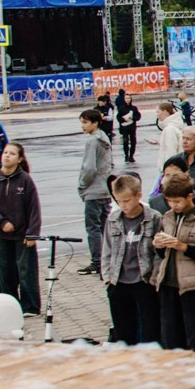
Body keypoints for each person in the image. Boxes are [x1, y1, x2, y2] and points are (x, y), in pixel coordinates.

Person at [150, 170, 195, 351]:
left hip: (193, 284)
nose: (173, 205)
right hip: (169, 282)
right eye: (169, 201)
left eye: (177, 201)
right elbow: (162, 255)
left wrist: (182, 246)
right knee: (170, 332)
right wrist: (158, 245)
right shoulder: (167, 218)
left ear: (189, 196)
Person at [0, 141, 42, 315]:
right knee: (6, 273)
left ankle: (30, 306)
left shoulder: (25, 180)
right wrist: (0, 222)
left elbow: (34, 208)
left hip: (23, 236)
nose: (7, 156)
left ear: (20, 159)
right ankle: (9, 306)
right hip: (2, 235)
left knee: (26, 272)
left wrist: (32, 234)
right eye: (5, 152)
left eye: (12, 154)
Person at [98, 172, 161, 344]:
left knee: (149, 331)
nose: (123, 205)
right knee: (124, 332)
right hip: (119, 282)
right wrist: (108, 278)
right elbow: (107, 249)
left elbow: (158, 254)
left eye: (127, 201)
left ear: (138, 195)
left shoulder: (154, 218)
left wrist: (153, 279)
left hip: (144, 281)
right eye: (119, 201)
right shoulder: (112, 219)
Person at [78, 106, 117, 276]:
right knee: (104, 226)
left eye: (85, 123)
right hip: (105, 189)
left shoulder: (92, 141)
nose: (83, 126)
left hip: (93, 190)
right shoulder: (105, 138)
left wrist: (82, 185)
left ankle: (97, 261)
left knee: (93, 227)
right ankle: (109, 258)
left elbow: (89, 168)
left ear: (95, 123)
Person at [114, 89, 142, 166]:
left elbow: (138, 116)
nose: (128, 100)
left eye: (129, 98)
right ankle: (126, 155)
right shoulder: (122, 108)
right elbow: (118, 117)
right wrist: (123, 119)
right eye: (126, 98)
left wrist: (133, 118)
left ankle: (131, 156)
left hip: (132, 127)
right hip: (124, 128)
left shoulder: (134, 108)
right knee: (125, 142)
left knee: (133, 142)